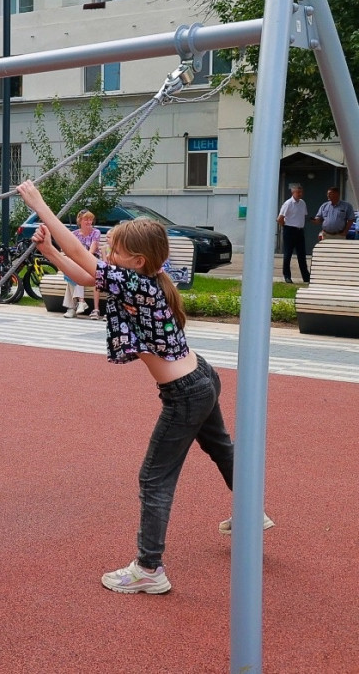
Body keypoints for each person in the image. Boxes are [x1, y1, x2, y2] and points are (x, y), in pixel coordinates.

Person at [17, 178, 272, 595]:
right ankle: (251, 513)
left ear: (136, 261)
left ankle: (149, 568)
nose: (106, 252)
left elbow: (82, 255)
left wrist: (40, 205)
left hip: (186, 392)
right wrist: (48, 251)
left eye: (114, 250)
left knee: (154, 479)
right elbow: (85, 276)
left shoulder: (134, 283)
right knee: (221, 447)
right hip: (201, 377)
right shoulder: (142, 278)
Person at [64, 209, 102, 319]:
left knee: (77, 272)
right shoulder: (74, 234)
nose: (89, 222)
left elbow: (92, 251)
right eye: (86, 219)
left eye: (91, 219)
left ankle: (72, 307)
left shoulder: (96, 232)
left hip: (92, 260)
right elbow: (71, 251)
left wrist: (80, 261)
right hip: (78, 262)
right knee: (71, 272)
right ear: (79, 221)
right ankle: (80, 303)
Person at [278, 183, 311, 283]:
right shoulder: (288, 203)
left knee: (302, 255)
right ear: (293, 192)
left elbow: (303, 215)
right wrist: (285, 226)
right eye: (298, 192)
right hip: (289, 230)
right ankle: (287, 276)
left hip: (300, 230)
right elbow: (280, 219)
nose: (300, 194)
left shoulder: (302, 203)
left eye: (301, 192)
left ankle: (306, 277)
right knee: (288, 254)